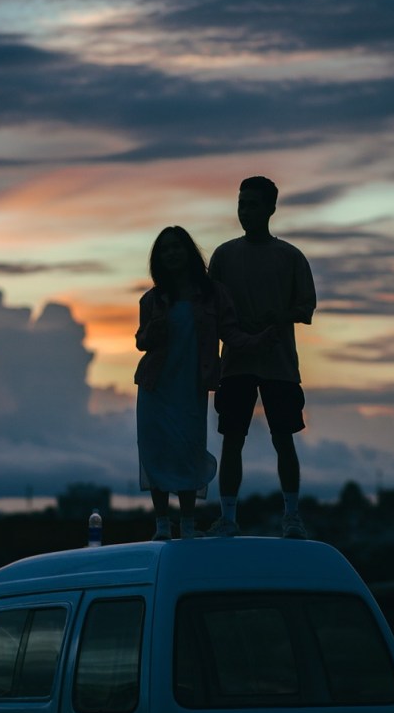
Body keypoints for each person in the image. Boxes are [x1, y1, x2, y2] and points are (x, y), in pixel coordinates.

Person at [135, 225, 277, 540]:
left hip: (191, 387)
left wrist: (259, 341)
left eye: (177, 247)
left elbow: (231, 333)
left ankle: (186, 524)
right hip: (155, 387)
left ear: (189, 252)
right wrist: (154, 330)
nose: (172, 253)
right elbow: (141, 342)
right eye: (165, 249)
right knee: (155, 451)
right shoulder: (153, 299)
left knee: (189, 450)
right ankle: (161, 525)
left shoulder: (213, 295)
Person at [207, 176, 317, 538]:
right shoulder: (223, 255)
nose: (245, 212)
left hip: (279, 362)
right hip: (236, 361)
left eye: (253, 204)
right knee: (232, 438)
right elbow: (212, 309)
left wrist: (276, 320)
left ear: (271, 208)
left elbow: (306, 306)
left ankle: (291, 515)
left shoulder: (290, 256)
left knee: (283, 437)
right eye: (241, 204)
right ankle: (228, 517)